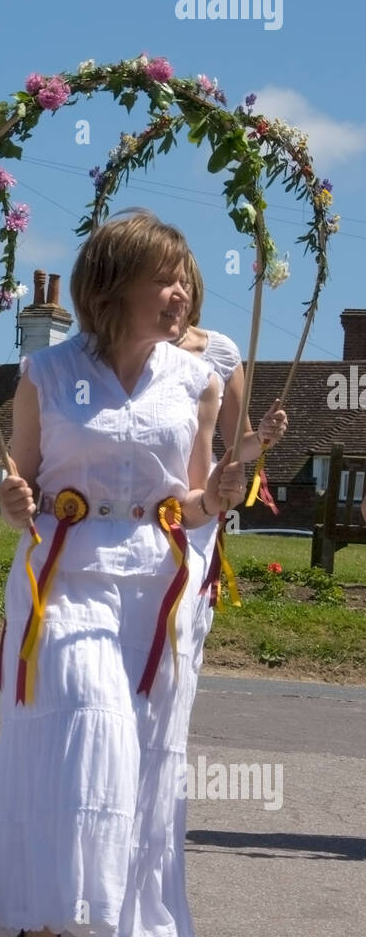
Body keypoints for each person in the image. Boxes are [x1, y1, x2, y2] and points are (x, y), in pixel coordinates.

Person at [0, 210, 247, 937]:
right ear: (110, 284)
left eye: (185, 279)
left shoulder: (197, 379)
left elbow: (198, 500)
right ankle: (45, 913)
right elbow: (18, 484)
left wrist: (221, 494)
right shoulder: (45, 374)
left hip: (156, 590)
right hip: (70, 579)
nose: (180, 294)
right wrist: (15, 505)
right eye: (161, 277)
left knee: (143, 784)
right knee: (91, 735)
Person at [173, 255, 288, 668]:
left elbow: (237, 444)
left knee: (184, 625)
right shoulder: (127, 347)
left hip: (198, 507)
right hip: (136, 499)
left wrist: (263, 436)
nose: (173, 293)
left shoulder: (220, 353)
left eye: (182, 281)